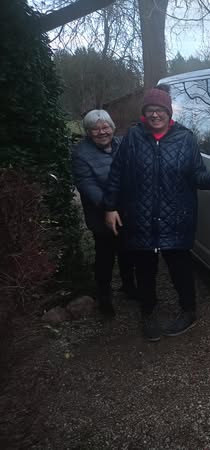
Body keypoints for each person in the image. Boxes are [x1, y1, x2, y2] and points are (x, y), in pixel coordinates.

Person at [104, 85, 210, 342]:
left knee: (180, 268)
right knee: (145, 270)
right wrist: (110, 207)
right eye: (150, 110)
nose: (155, 115)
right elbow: (116, 174)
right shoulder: (133, 137)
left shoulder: (185, 138)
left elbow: (196, 174)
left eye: (160, 110)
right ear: (144, 113)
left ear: (169, 112)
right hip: (141, 217)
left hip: (176, 217)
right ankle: (148, 313)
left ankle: (189, 311)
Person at [72, 110, 136, 317]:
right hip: (100, 215)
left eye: (105, 127)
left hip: (126, 211)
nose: (102, 132)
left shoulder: (122, 144)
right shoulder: (81, 153)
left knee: (127, 251)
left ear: (112, 128)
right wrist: (110, 208)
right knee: (105, 257)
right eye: (95, 129)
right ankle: (104, 297)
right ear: (88, 132)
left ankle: (128, 286)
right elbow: (87, 185)